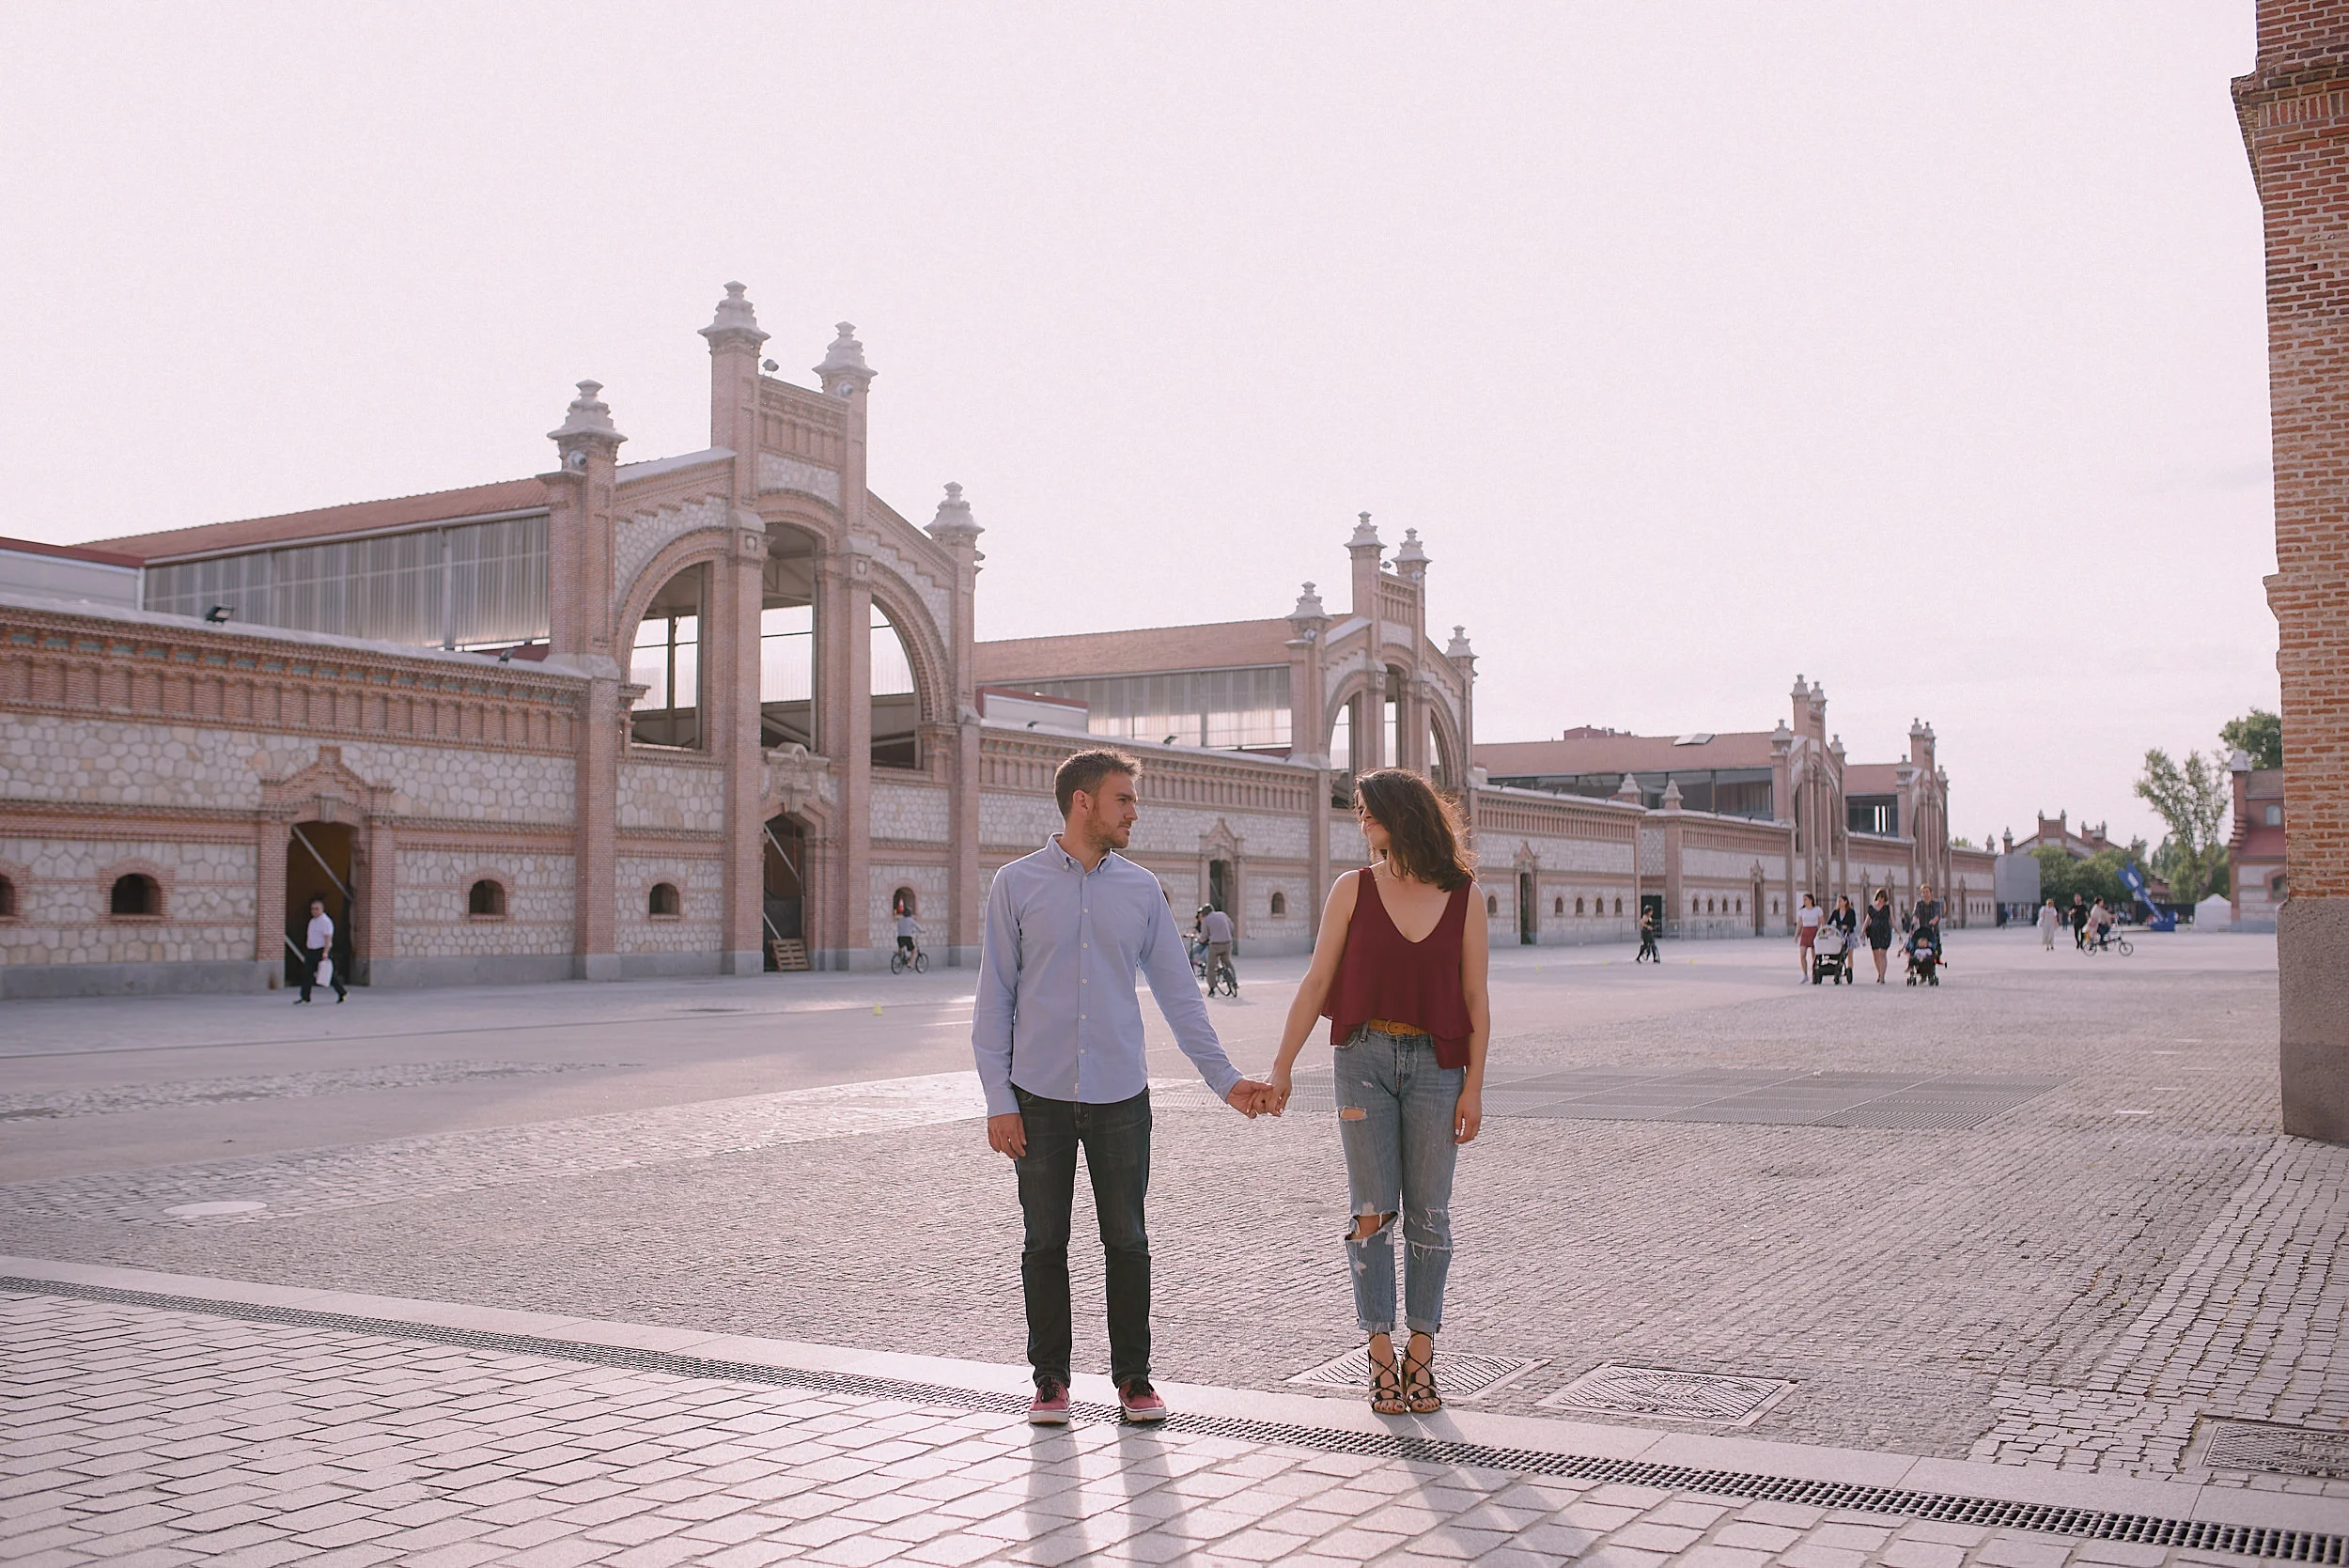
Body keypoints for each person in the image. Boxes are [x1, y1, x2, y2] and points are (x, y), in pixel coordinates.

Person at [972, 749, 1276, 1428]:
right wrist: (998, 1096)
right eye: (1124, 799)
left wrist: (1224, 1080)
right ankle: (1050, 1380)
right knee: (1043, 1241)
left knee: (1128, 1240)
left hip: (1119, 1097)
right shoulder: (1014, 885)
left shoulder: (1141, 890)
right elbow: (993, 997)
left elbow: (1179, 995)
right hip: (1038, 1095)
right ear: (1084, 802)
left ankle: (1134, 1380)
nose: (1135, 811)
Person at [1267, 768, 1489, 1416]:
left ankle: (1422, 1352)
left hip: (1437, 1066)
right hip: (1360, 1059)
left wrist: (1474, 1085)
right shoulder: (1352, 889)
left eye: (1367, 810)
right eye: (1356, 811)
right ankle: (1379, 1351)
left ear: (1401, 812)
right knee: (1371, 1211)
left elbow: (1476, 996)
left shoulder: (1464, 894)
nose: (1359, 821)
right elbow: (1315, 984)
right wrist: (1282, 1066)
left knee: (1430, 1213)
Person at [297, 895, 345, 1004]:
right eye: (312, 909)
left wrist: (325, 952)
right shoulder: (312, 921)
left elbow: (328, 938)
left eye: (316, 909)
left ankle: (342, 992)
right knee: (306, 974)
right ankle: (305, 997)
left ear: (322, 909)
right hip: (311, 950)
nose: (314, 911)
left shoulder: (325, 921)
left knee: (329, 975)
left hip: (321, 950)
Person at [1201, 904, 1236, 991]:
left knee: (1211, 966)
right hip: (1227, 943)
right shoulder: (1222, 915)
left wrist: (1200, 940)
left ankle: (1212, 988)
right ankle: (1233, 981)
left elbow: (1204, 935)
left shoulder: (1206, 920)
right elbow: (1231, 926)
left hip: (1215, 945)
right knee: (1227, 962)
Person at [1863, 889, 1894, 984]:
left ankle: (1882, 977)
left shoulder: (1888, 907)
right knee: (1876, 954)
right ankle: (1880, 973)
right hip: (1874, 932)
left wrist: (1898, 932)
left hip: (1885, 931)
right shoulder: (1871, 908)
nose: (1881, 899)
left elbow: (1892, 920)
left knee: (1882, 954)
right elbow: (1867, 920)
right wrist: (1862, 932)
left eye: (1883, 897)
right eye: (1879, 897)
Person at [1796, 893, 1823, 979]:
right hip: (1805, 932)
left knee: (1814, 955)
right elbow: (1799, 923)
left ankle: (1815, 973)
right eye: (1803, 899)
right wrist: (1796, 935)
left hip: (1814, 931)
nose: (1804, 901)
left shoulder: (1817, 909)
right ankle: (1804, 974)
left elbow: (1822, 922)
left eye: (1805, 899)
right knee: (1802, 954)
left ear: (1811, 900)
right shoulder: (1802, 911)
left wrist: (1821, 932)